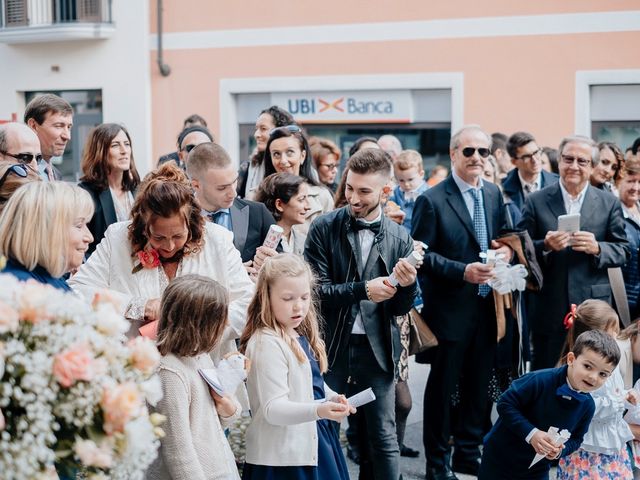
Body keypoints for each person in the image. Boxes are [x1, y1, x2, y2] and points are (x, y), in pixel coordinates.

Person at [305, 148, 418, 480]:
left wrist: (408, 287)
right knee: (320, 430)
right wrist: (363, 289)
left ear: (385, 192)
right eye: (350, 187)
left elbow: (401, 309)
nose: (353, 197)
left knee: (383, 438)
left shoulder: (401, 237)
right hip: (329, 347)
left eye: (364, 191)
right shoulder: (324, 227)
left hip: (378, 350)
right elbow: (315, 293)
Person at [412, 125, 512, 479]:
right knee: (442, 391)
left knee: (479, 386)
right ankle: (436, 464)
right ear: (453, 154)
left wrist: (505, 254)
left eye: (482, 152)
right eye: (468, 151)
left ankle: (469, 454)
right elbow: (420, 255)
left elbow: (499, 238)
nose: (476, 158)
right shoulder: (432, 199)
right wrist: (460, 271)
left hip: (488, 307)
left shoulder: (493, 194)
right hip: (450, 311)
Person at [69, 163, 254, 343]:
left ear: (192, 224)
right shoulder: (118, 239)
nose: (170, 246)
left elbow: (249, 304)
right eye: (158, 237)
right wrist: (140, 307)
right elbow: (77, 291)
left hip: (202, 367)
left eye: (178, 236)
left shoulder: (218, 240)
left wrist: (197, 327)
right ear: (143, 227)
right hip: (135, 365)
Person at [518, 135, 630, 370]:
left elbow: (623, 250)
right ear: (559, 160)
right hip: (549, 303)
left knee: (591, 373)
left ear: (592, 166)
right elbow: (521, 249)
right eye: (568, 159)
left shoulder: (609, 202)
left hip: (593, 306)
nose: (574, 166)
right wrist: (545, 246)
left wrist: (598, 247)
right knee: (546, 373)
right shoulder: (536, 200)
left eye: (582, 161)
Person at [239, 253, 352, 480]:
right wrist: (319, 410)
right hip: (284, 457)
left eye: (304, 297)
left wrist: (331, 398)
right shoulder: (266, 343)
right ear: (266, 296)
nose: (298, 306)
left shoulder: (297, 334)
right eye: (288, 298)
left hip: (313, 439)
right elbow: (272, 408)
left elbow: (311, 383)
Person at [478, 329, 620, 480]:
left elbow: (577, 439)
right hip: (501, 457)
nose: (593, 377)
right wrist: (532, 434)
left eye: (603, 374)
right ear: (571, 359)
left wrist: (560, 452)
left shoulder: (588, 405)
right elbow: (505, 403)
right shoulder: (539, 380)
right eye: (588, 366)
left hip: (537, 468)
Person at [147, 274, 241, 480]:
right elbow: (178, 452)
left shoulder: (200, 357)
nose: (226, 324)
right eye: (220, 319)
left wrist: (227, 409)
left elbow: (212, 422)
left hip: (218, 466)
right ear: (198, 324)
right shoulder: (169, 373)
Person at [555, 300, 635, 480]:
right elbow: (586, 405)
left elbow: (613, 393)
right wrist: (618, 402)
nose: (616, 335)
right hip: (589, 446)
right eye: (611, 331)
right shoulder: (580, 374)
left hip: (610, 444)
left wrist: (625, 396)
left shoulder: (610, 366)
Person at [186, 142, 275, 265]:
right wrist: (233, 274)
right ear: (196, 185)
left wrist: (271, 264)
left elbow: (282, 263)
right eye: (222, 188)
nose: (233, 193)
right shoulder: (180, 217)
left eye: (234, 182)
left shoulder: (258, 213)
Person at [0, 182, 93, 291]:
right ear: (44, 230)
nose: (90, 237)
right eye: (79, 226)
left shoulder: (47, 279)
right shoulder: (23, 290)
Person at [78, 123, 141, 256]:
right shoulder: (86, 193)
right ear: (100, 151)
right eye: (115, 145)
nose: (124, 150)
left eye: (127, 144)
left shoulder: (138, 190)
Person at [263, 125, 333, 229]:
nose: (283, 160)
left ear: (302, 156)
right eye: (276, 154)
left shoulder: (322, 197)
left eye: (289, 152)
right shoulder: (257, 196)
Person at [238, 106, 295, 200]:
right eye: (256, 129)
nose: (256, 134)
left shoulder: (296, 166)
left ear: (280, 131)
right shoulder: (248, 168)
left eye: (263, 129)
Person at [502, 131, 559, 212]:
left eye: (536, 152)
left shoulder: (558, 183)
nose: (535, 160)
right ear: (514, 162)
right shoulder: (503, 188)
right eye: (527, 157)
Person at [255, 173, 310, 256]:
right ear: (279, 204)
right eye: (301, 199)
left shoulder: (304, 241)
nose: (308, 206)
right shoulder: (256, 240)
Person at [24, 93, 73, 181]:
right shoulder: (18, 176)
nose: (67, 136)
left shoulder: (56, 174)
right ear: (33, 126)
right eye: (58, 126)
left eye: (69, 127)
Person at [616, 159, 640, 319]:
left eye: (639, 182)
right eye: (630, 181)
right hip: (623, 297)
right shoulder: (613, 213)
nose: (636, 187)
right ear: (618, 182)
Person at [388, 149, 428, 233]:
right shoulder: (396, 192)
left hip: (421, 236)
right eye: (401, 180)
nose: (406, 184)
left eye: (410, 179)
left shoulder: (429, 193)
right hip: (400, 235)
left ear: (421, 174)